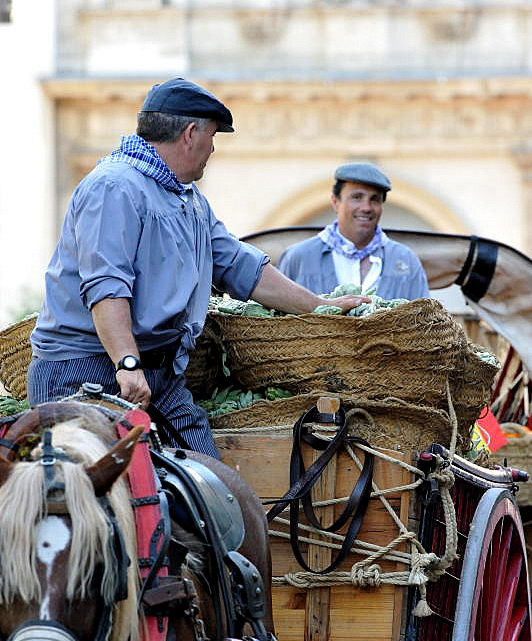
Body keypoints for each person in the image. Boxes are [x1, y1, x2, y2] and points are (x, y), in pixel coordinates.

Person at [28, 78, 369, 458]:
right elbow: (107, 286)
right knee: (104, 490)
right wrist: (127, 363)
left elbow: (240, 265)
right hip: (86, 372)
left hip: (159, 377)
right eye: (212, 137)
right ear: (191, 134)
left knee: (210, 483)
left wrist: (320, 307)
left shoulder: (189, 199)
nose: (212, 149)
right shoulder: (113, 187)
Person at [277, 162, 430, 300]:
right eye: (357, 197)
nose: (366, 208)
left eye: (374, 199)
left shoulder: (406, 260)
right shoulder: (298, 258)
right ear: (335, 202)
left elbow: (425, 318)